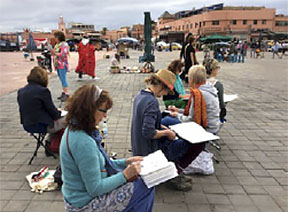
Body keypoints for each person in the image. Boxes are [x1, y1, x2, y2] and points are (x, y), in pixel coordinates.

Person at [60, 84, 154, 212]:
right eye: (103, 111)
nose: (104, 116)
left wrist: (126, 162)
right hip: (83, 204)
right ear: (89, 109)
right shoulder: (84, 142)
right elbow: (95, 189)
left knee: (144, 184)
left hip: (76, 197)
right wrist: (125, 175)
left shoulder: (76, 130)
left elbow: (99, 165)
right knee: (146, 185)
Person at [131, 69, 205, 191]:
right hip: (150, 152)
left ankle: (174, 172)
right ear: (160, 85)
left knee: (170, 125)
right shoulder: (151, 102)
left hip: (138, 147)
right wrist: (167, 133)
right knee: (194, 144)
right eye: (166, 90)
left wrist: (162, 127)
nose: (165, 94)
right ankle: (175, 173)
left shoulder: (140, 95)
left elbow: (147, 124)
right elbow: (148, 132)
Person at [166, 65, 220, 135]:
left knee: (166, 121)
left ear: (192, 79)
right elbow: (194, 113)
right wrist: (178, 110)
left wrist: (176, 115)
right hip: (214, 126)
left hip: (206, 129)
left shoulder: (198, 94)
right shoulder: (209, 89)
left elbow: (191, 120)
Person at [17, 66, 65, 140]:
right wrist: (61, 113)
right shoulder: (43, 91)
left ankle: (50, 142)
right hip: (41, 125)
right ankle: (64, 145)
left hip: (27, 125)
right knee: (71, 119)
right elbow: (53, 113)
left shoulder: (21, 91)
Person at [51, 31, 70, 101]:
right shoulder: (57, 45)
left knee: (63, 79)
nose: (55, 38)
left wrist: (55, 53)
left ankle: (67, 93)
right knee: (61, 79)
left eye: (55, 37)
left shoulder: (64, 44)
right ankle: (64, 92)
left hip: (62, 64)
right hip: (58, 64)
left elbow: (63, 54)